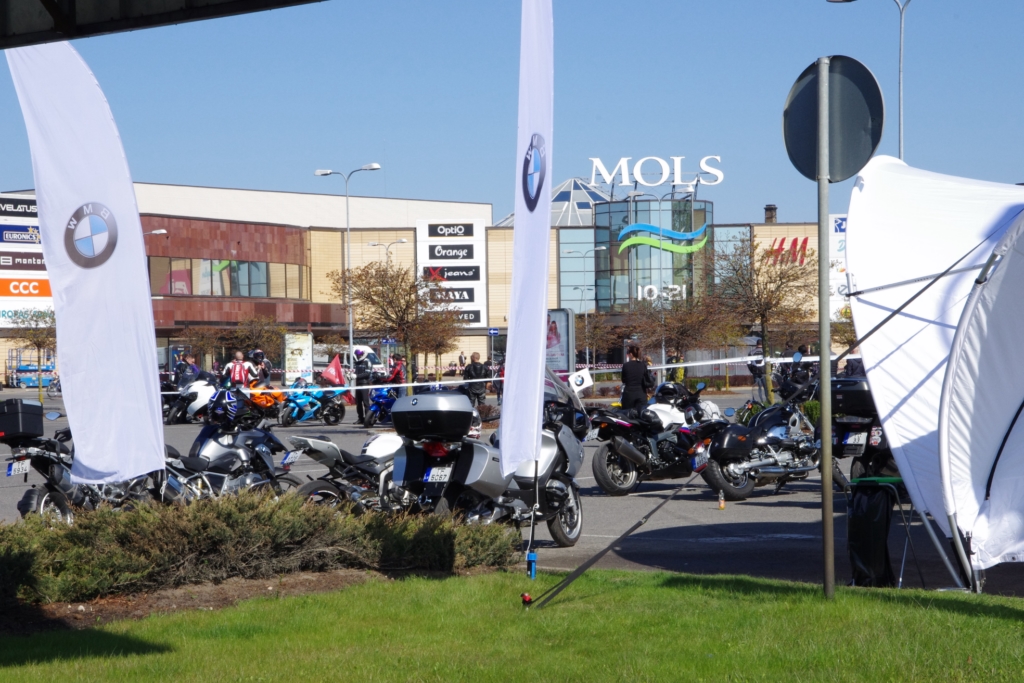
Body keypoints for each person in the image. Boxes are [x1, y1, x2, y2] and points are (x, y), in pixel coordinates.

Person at [620, 345, 651, 413]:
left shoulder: (626, 365)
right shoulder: (643, 365)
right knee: (641, 414)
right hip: (641, 393)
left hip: (629, 394)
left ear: (631, 354)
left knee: (627, 415)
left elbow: (623, 380)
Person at [353, 348, 373, 425]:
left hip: (364, 384)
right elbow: (356, 372)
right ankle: (360, 418)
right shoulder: (357, 362)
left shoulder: (367, 362)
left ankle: (368, 419)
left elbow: (367, 374)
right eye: (357, 355)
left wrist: (357, 376)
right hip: (358, 384)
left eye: (359, 355)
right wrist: (351, 376)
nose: (358, 356)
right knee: (358, 403)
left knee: (365, 402)